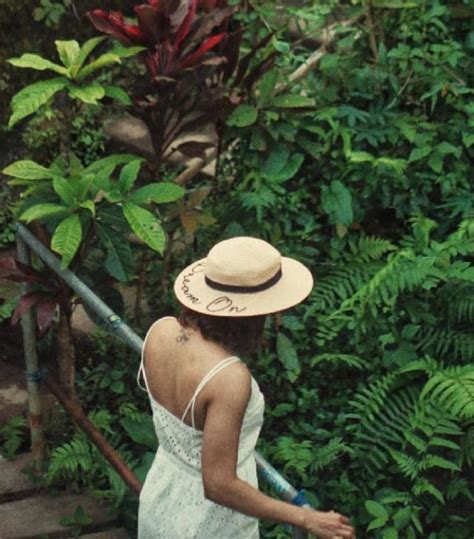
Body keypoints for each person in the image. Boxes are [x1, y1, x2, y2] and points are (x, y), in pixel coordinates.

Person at [137, 237, 355, 539]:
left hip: (161, 496)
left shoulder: (161, 330)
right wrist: (304, 518)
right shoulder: (229, 378)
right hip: (209, 523)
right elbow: (218, 483)